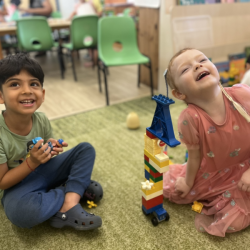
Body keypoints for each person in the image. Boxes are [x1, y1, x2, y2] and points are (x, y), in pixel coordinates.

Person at [0, 53, 103, 230]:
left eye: (34, 84)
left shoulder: (41, 120)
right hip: (15, 188)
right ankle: (72, 190)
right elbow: (2, 182)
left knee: (85, 149)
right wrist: (32, 162)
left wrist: (50, 149)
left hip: (41, 171)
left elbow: (47, 158)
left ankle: (69, 203)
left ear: (43, 93)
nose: (27, 90)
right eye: (15, 84)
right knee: (21, 214)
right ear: (1, 96)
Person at [163, 48, 250, 237]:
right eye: (185, 70)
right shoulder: (190, 118)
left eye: (202, 59)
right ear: (179, 94)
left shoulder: (243, 95)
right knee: (173, 190)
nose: (197, 65)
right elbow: (194, 157)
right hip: (215, 173)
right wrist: (187, 183)